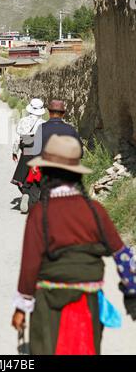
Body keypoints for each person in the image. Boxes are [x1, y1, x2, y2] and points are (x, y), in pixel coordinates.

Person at [12, 135, 136, 355]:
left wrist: (21, 307)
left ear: (47, 172)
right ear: (77, 173)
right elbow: (122, 254)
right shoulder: (94, 210)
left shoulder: (40, 212)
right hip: (87, 303)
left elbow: (30, 264)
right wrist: (132, 291)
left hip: (49, 305)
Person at [12, 98, 45, 213]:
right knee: (35, 175)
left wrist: (14, 152)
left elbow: (18, 139)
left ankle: (25, 193)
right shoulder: (43, 124)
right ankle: (32, 200)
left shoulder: (23, 121)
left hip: (26, 150)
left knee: (23, 173)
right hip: (38, 151)